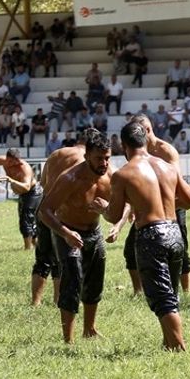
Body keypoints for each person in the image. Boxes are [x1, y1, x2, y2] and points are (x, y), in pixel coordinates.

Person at [102, 123, 190, 350]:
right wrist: (163, 203)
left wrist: (101, 208)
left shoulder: (123, 174)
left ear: (123, 145)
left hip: (151, 235)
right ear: (145, 140)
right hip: (174, 232)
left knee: (162, 298)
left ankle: (178, 347)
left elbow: (113, 215)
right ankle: (168, 344)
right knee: (170, 293)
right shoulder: (167, 167)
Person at [38, 130, 116, 345]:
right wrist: (65, 233)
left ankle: (89, 329)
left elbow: (125, 203)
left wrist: (115, 222)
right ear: (87, 156)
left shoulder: (110, 175)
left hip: (94, 232)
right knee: (72, 279)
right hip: (68, 231)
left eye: (107, 158)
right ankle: (68, 339)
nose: (104, 163)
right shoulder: (69, 178)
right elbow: (44, 210)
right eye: (99, 158)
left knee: (95, 282)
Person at [0, 148, 41, 249]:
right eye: (11, 161)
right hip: (22, 194)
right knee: (25, 219)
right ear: (7, 158)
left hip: (32, 193)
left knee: (26, 219)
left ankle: (27, 248)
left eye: (17, 161)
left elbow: (27, 187)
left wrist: (11, 180)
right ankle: (36, 246)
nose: (14, 163)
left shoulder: (24, 168)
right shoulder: (3, 160)